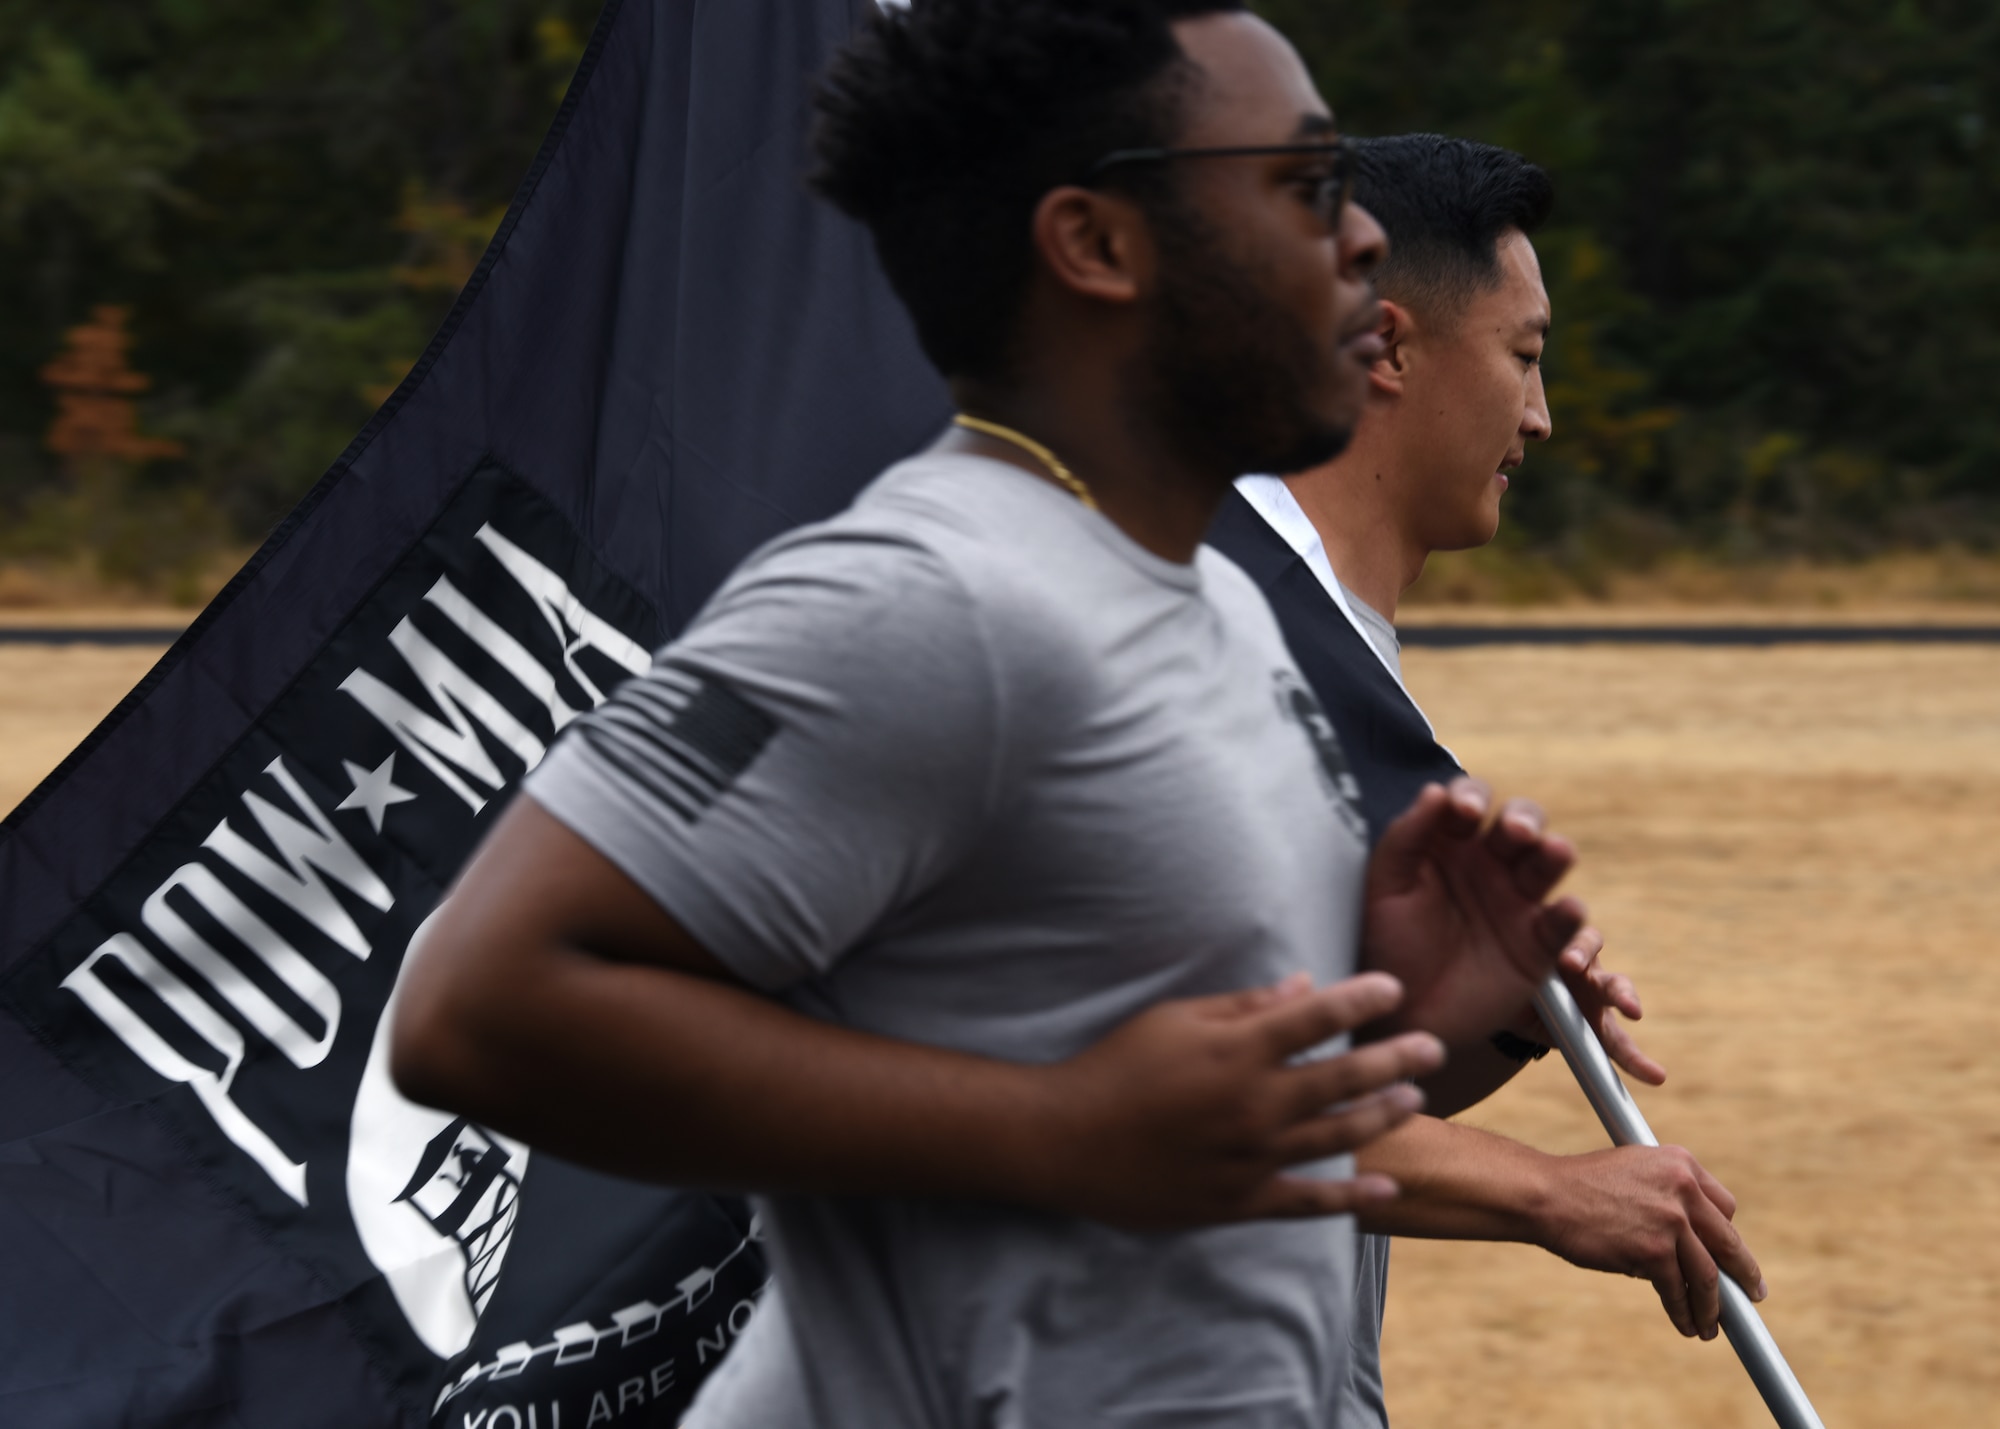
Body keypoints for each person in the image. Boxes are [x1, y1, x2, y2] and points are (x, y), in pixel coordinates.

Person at [392, 4, 1607, 1424]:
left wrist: (1414, 1014)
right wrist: (1060, 1129)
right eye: (1299, 186)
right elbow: (476, 1009)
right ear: (1098, 245)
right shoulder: (925, 597)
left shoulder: (1213, 614)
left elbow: (1180, 1118)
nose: (1355, 243)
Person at [1206, 134, 1764, 1426]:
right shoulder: (1205, 642)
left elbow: (1325, 1088)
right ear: (1388, 350)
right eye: (1524, 355)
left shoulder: (1320, 648)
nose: (1542, 415)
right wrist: (1548, 1189)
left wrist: (1490, 1009)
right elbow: (1142, 1091)